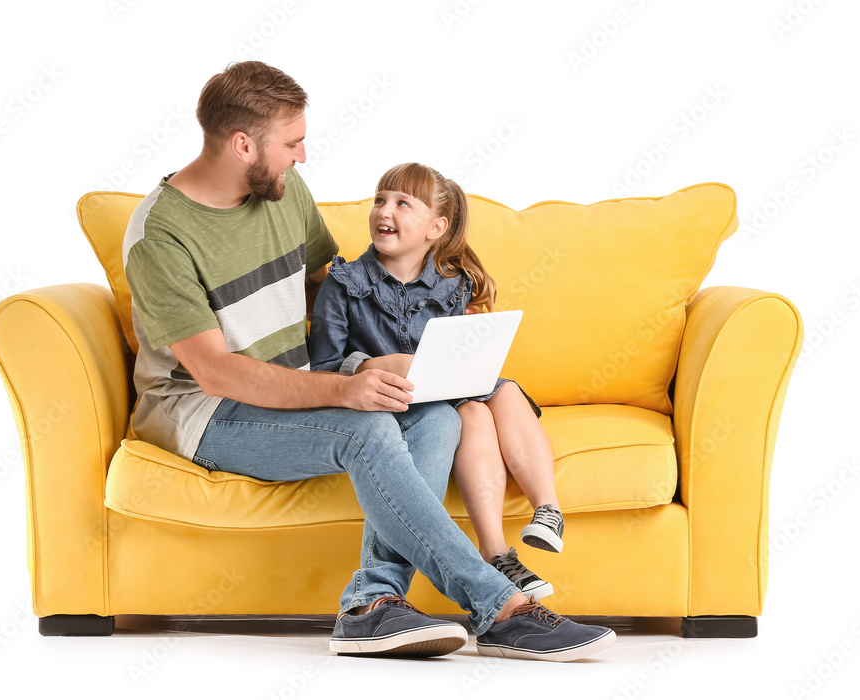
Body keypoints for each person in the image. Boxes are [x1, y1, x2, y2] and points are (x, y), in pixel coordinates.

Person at [123, 60, 615, 662]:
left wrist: (362, 366)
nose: (302, 156)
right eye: (292, 143)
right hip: (205, 411)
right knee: (368, 428)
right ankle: (502, 608)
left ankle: (371, 605)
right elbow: (216, 373)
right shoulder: (161, 234)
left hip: (292, 385)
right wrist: (343, 392)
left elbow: (331, 290)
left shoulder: (280, 190)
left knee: (436, 417)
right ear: (242, 143)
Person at [308, 162, 566, 602]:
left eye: (402, 203)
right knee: (469, 413)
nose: (383, 210)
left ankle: (545, 513)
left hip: (444, 394)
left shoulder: (454, 284)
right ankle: (497, 552)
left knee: (488, 401)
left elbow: (457, 362)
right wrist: (374, 365)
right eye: (379, 200)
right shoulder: (344, 283)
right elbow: (324, 369)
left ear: (436, 227)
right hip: (391, 400)